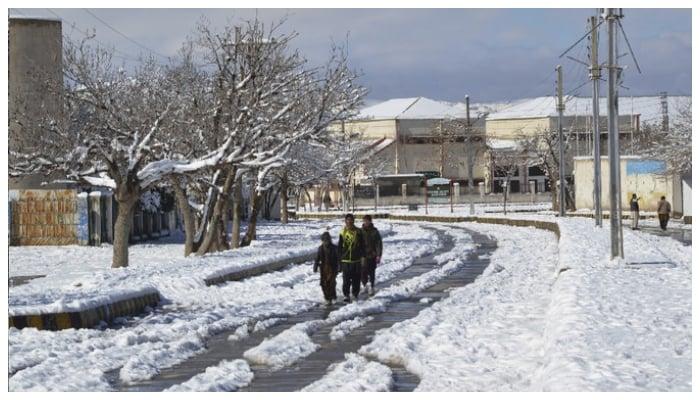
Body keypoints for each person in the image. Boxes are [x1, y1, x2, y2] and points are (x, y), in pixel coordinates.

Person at [338, 213, 366, 302]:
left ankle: (355, 294)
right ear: (345, 221)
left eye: (351, 220)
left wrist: (363, 257)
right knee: (346, 279)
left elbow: (363, 245)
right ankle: (346, 295)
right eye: (348, 220)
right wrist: (339, 258)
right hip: (345, 260)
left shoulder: (358, 232)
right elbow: (339, 246)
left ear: (353, 221)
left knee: (356, 279)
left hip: (356, 260)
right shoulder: (342, 232)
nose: (349, 222)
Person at [313, 232, 339, 305]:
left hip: (333, 267)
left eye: (327, 240)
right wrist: (315, 266)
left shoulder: (334, 248)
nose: (326, 242)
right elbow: (317, 258)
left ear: (329, 240)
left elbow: (338, 258)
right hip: (323, 268)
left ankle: (333, 296)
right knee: (323, 283)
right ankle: (327, 297)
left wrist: (339, 266)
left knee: (331, 282)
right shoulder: (320, 248)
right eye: (324, 240)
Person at [361, 215, 383, 295]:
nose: (366, 222)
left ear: (370, 221)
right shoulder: (360, 231)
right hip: (363, 255)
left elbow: (378, 244)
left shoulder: (375, 231)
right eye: (364, 221)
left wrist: (378, 255)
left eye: (367, 221)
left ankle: (372, 286)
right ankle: (365, 285)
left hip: (372, 255)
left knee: (371, 271)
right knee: (363, 272)